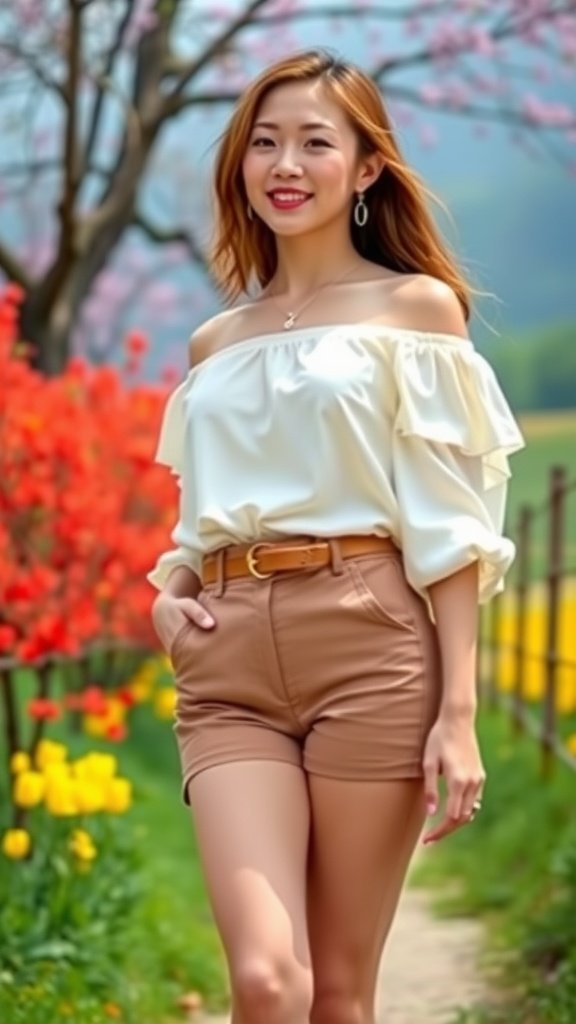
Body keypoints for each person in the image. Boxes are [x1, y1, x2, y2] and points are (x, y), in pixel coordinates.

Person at [148, 49, 524, 1024]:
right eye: (263, 141)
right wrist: (170, 588)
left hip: (371, 641)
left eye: (317, 141)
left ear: (365, 169)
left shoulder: (415, 309)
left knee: (340, 990)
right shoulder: (215, 343)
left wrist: (458, 710)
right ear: (239, 164)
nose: (285, 162)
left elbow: (449, 524)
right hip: (227, 657)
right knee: (269, 980)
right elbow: (202, 510)